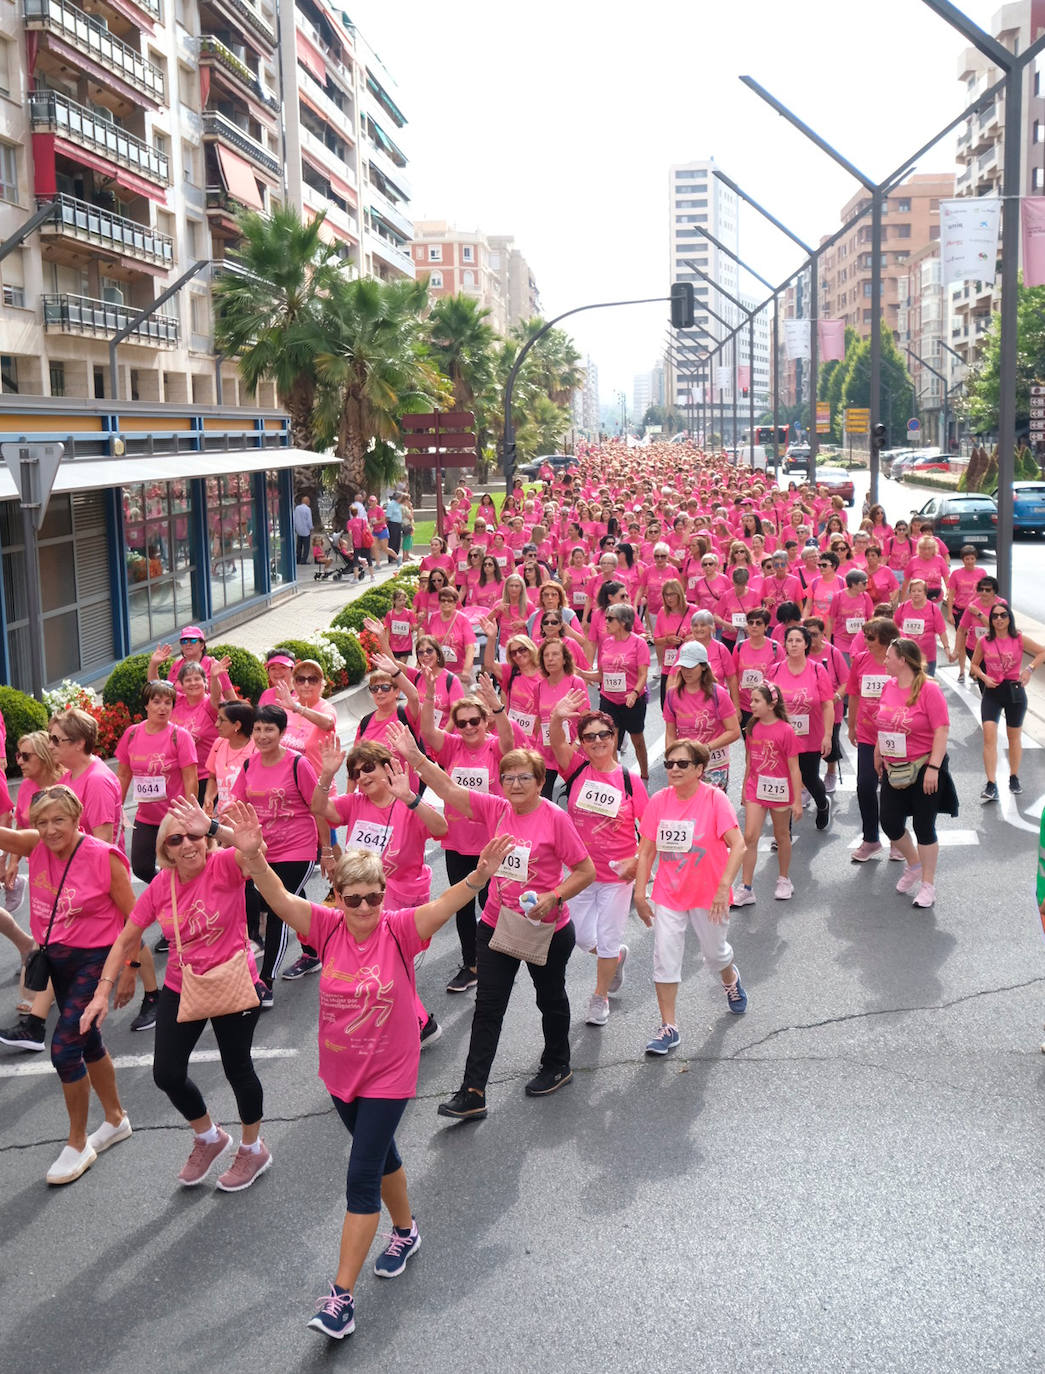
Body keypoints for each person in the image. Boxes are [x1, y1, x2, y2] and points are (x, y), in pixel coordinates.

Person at [230, 807, 512, 1338]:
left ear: (384, 894)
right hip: (341, 1070)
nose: (364, 907)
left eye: (373, 896)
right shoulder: (326, 926)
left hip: (390, 1070)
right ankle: (406, 1231)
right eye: (353, 897)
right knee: (381, 1155)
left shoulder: (401, 929)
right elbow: (279, 898)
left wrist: (479, 876)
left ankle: (340, 1299)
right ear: (337, 896)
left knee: (360, 1178)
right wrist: (254, 856)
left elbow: (446, 904)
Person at [387, 728, 595, 1119]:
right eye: (509, 778)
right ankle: (473, 1091)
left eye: (525, 778)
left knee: (549, 998)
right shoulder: (496, 809)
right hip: (497, 923)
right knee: (488, 1006)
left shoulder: (555, 818)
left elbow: (585, 870)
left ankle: (558, 1063)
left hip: (545, 927)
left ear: (540, 782)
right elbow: (448, 788)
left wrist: (555, 896)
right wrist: (415, 758)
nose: (515, 784)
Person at [81, 795, 271, 1192]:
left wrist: (217, 828)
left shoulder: (223, 865)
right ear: (163, 850)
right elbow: (125, 939)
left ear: (205, 838)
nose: (187, 845)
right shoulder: (160, 888)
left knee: (238, 1069)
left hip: (234, 980)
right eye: (175, 840)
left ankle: (253, 1149)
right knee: (166, 1073)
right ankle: (208, 1136)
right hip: (183, 985)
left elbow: (253, 850)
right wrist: (102, 992)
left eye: (193, 836)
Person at [0, 786, 135, 1184]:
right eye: (41, 822)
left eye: (58, 819)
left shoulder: (102, 857)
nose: (50, 829)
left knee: (64, 1047)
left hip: (95, 960)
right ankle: (115, 1119)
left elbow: (134, 917)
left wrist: (131, 967)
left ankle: (78, 1142)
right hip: (56, 960)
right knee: (88, 1041)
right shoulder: (34, 845)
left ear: (77, 817)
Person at [633, 740, 747, 1056]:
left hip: (709, 894)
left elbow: (738, 845)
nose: (674, 769)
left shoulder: (714, 799)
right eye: (669, 764)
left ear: (699, 769)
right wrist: (640, 893)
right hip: (669, 893)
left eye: (682, 764)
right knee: (665, 956)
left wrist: (725, 887)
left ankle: (731, 979)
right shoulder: (659, 801)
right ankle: (669, 1027)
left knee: (715, 955)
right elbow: (646, 851)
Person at [547, 695, 648, 1027]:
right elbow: (557, 743)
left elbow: (649, 831)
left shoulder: (630, 781)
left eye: (603, 734)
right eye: (589, 737)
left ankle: (599, 995)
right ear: (583, 743)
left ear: (614, 737)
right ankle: (617, 957)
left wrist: (637, 864)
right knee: (580, 937)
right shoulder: (576, 769)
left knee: (606, 935)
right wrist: (556, 717)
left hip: (617, 875)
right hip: (580, 871)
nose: (597, 741)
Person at [416, 683, 521, 993]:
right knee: (462, 906)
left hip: (491, 841)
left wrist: (497, 708)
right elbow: (427, 732)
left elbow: (509, 739)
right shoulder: (451, 747)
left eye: (474, 721)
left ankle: (498, 959)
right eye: (461, 722)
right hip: (457, 840)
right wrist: (430, 696)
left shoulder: (494, 747)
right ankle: (472, 964)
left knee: (492, 903)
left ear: (484, 720)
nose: (468, 728)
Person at [230, 703, 320, 1004]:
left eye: (269, 729)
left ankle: (265, 981)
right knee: (294, 898)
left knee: (279, 906)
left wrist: (328, 853)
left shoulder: (298, 764)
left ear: (282, 732)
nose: (262, 734)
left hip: (299, 847)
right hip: (265, 850)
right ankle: (315, 949)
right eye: (257, 729)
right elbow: (237, 806)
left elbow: (318, 807)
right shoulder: (248, 765)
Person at [875, 638, 957, 909]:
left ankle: (928, 884)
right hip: (893, 767)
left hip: (923, 766)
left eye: (889, 656)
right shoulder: (887, 686)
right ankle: (914, 864)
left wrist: (934, 767)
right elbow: (883, 722)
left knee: (924, 826)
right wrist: (878, 752)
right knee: (889, 821)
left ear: (903, 661)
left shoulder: (929, 690)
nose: (884, 660)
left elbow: (941, 729)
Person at [970, 604, 1045, 801]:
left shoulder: (1018, 638)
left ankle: (1014, 776)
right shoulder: (984, 641)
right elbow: (974, 665)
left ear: (1009, 618)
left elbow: (1042, 652)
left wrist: (1029, 669)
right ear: (991, 620)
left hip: (1015, 692)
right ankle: (991, 783)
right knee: (989, 737)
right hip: (992, 692)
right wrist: (984, 678)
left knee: (1014, 738)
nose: (999, 619)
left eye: (1003, 615)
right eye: (995, 616)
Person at [766, 625, 834, 829]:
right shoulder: (775, 670)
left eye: (798, 640)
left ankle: (822, 805)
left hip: (810, 736)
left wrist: (828, 736)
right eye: (790, 640)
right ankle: (783, 830)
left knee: (810, 778)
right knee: (783, 780)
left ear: (806, 644)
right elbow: (767, 702)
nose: (794, 644)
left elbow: (827, 703)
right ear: (784, 644)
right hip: (782, 737)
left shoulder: (817, 669)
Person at [846, 617, 902, 863]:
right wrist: (852, 726)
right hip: (868, 735)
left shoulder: (900, 662)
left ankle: (898, 841)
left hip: (895, 737)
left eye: (870, 637)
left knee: (895, 788)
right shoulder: (860, 660)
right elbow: (854, 695)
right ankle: (871, 839)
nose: (865, 641)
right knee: (865, 786)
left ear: (885, 640)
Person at [662, 641, 740, 791]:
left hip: (714, 765)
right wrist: (672, 761)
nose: (686, 671)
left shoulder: (718, 693)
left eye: (691, 667)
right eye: (683, 667)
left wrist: (706, 748)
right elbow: (670, 733)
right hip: (685, 765)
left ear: (704, 666)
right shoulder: (672, 694)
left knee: (710, 810)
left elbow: (734, 731)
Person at [590, 602, 650, 780]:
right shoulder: (606, 643)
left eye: (610, 619)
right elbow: (601, 675)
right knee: (611, 740)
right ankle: (617, 779)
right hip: (608, 699)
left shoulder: (638, 643)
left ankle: (644, 775)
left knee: (637, 739)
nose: (605, 622)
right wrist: (579, 673)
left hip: (632, 700)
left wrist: (634, 693)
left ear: (623, 622)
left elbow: (643, 674)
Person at [294, 494, 314, 565]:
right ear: (307, 502)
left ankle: (298, 559)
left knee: (299, 546)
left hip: (298, 530)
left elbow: (294, 518)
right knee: (306, 547)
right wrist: (311, 528)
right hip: (306, 530)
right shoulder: (308, 509)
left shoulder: (297, 508)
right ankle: (303, 560)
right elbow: (309, 520)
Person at [384, 491, 403, 559]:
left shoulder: (399, 505)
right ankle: (391, 557)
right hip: (393, 524)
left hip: (398, 524)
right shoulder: (391, 504)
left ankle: (396, 556)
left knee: (398, 541)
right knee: (393, 541)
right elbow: (388, 516)